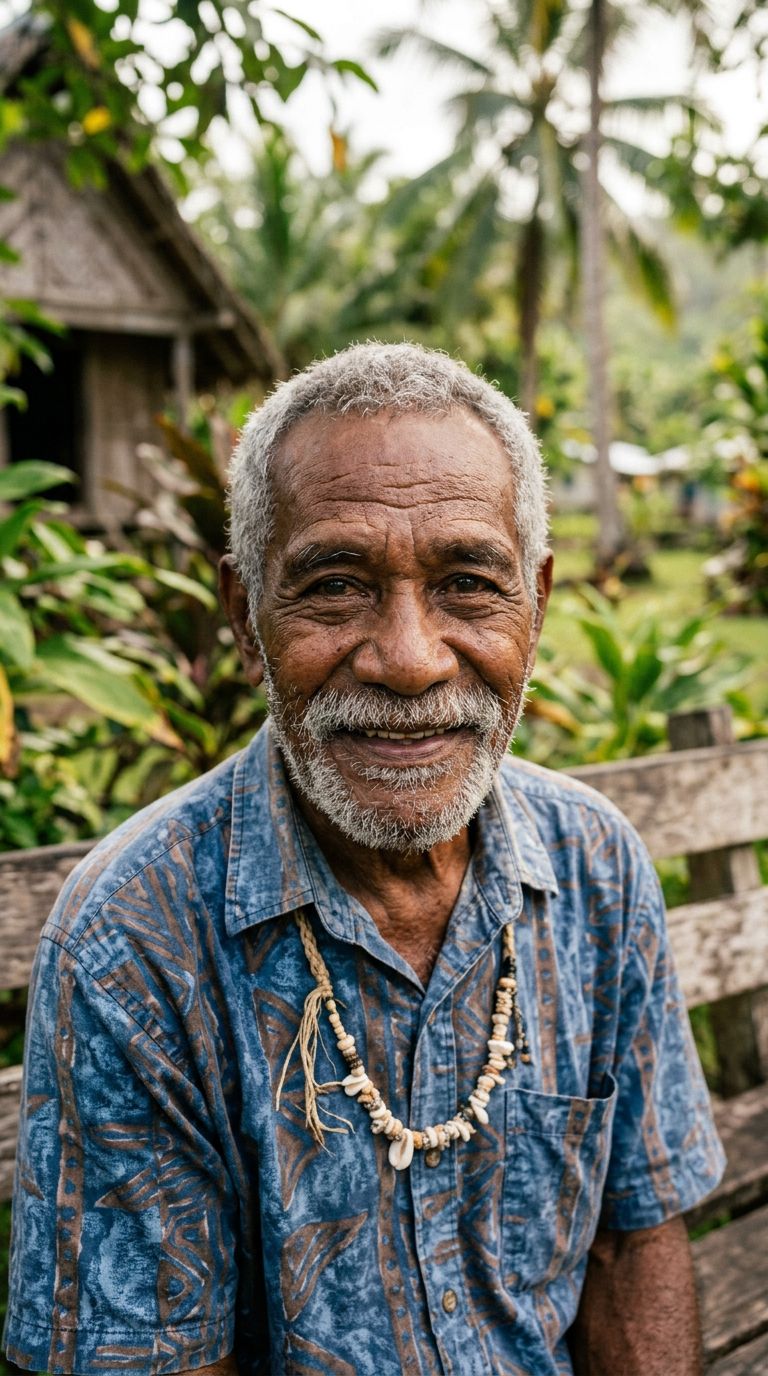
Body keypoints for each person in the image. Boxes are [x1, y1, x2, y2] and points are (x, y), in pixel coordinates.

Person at [3, 343, 724, 1376]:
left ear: (538, 604)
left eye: (470, 583)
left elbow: (632, 1240)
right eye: (335, 586)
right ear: (248, 622)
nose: (410, 658)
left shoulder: (595, 864)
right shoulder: (135, 933)